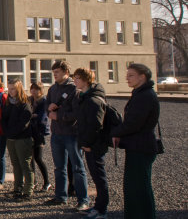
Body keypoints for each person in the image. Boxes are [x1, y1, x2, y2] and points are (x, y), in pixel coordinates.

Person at [111, 63, 160, 219]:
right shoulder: (140, 93)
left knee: (140, 187)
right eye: (127, 75)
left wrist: (115, 132)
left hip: (142, 147)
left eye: (131, 75)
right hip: (136, 146)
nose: (127, 78)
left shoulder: (145, 95)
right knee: (133, 187)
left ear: (142, 77)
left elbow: (133, 123)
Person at [46, 61, 89, 210]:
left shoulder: (74, 89)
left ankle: (83, 199)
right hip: (57, 134)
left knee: (77, 167)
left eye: (57, 72)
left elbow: (77, 113)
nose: (55, 75)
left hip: (71, 134)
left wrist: (59, 116)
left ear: (65, 72)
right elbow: (47, 109)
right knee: (59, 167)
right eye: (53, 72)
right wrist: (50, 111)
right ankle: (60, 196)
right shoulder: (52, 89)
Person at [72, 68, 109, 219]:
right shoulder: (84, 97)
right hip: (87, 144)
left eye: (78, 78)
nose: (75, 81)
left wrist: (87, 143)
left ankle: (102, 210)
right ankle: (97, 206)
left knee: (99, 178)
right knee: (95, 176)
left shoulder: (93, 100)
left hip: (94, 145)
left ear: (86, 80)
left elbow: (95, 125)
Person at [1, 79, 34, 201]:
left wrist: (11, 132)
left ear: (19, 89)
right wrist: (7, 131)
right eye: (9, 89)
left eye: (13, 88)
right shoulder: (8, 103)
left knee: (25, 164)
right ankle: (17, 188)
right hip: (11, 138)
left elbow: (23, 123)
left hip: (22, 138)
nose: (10, 91)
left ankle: (28, 190)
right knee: (15, 165)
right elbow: (3, 118)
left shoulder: (25, 104)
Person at [29, 82, 51, 192]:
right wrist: (32, 116)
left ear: (41, 90)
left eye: (36, 89)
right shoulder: (30, 100)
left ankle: (47, 181)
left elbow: (42, 117)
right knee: (30, 158)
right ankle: (33, 181)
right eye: (32, 89)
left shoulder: (44, 101)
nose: (33, 91)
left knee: (38, 157)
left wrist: (32, 116)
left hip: (39, 133)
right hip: (30, 132)